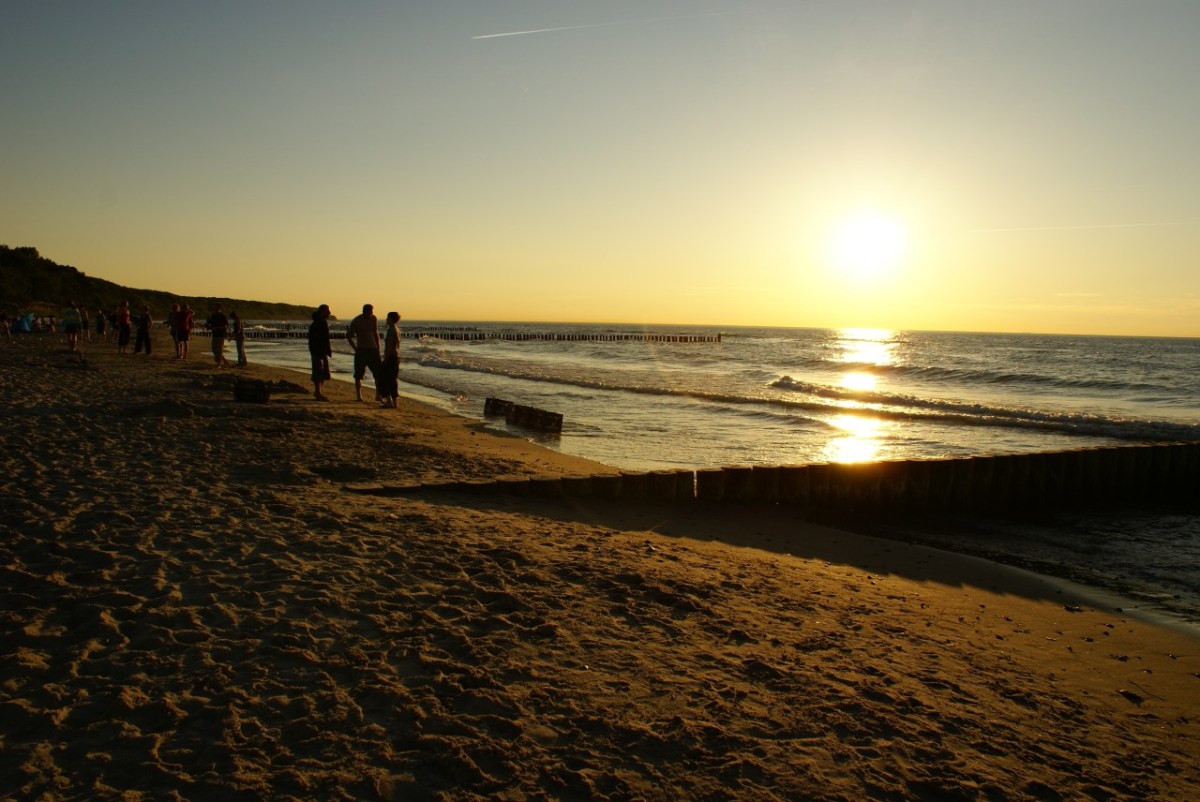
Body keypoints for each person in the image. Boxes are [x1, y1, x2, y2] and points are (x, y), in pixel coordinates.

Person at [346, 303, 382, 402]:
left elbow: (376, 333)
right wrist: (355, 348)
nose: (371, 314)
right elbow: (349, 336)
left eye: (372, 312)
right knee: (359, 374)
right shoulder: (356, 321)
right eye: (369, 312)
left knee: (378, 373)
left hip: (373, 350)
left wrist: (378, 347)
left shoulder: (373, 318)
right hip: (361, 350)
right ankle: (359, 396)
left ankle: (378, 395)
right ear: (364, 311)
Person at [307, 304, 333, 401]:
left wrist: (328, 350)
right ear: (323, 311)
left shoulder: (321, 322)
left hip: (321, 350)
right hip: (317, 350)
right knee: (318, 371)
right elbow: (319, 338)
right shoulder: (319, 323)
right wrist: (320, 350)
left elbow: (325, 339)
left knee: (324, 372)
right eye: (328, 311)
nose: (330, 313)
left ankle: (318, 391)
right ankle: (318, 393)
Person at [377, 311, 401, 408]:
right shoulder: (397, 329)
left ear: (391, 319)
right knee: (393, 380)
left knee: (384, 379)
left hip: (391, 357)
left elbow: (389, 347)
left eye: (388, 318)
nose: (386, 319)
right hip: (396, 357)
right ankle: (394, 403)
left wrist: (385, 360)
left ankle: (389, 401)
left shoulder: (391, 330)